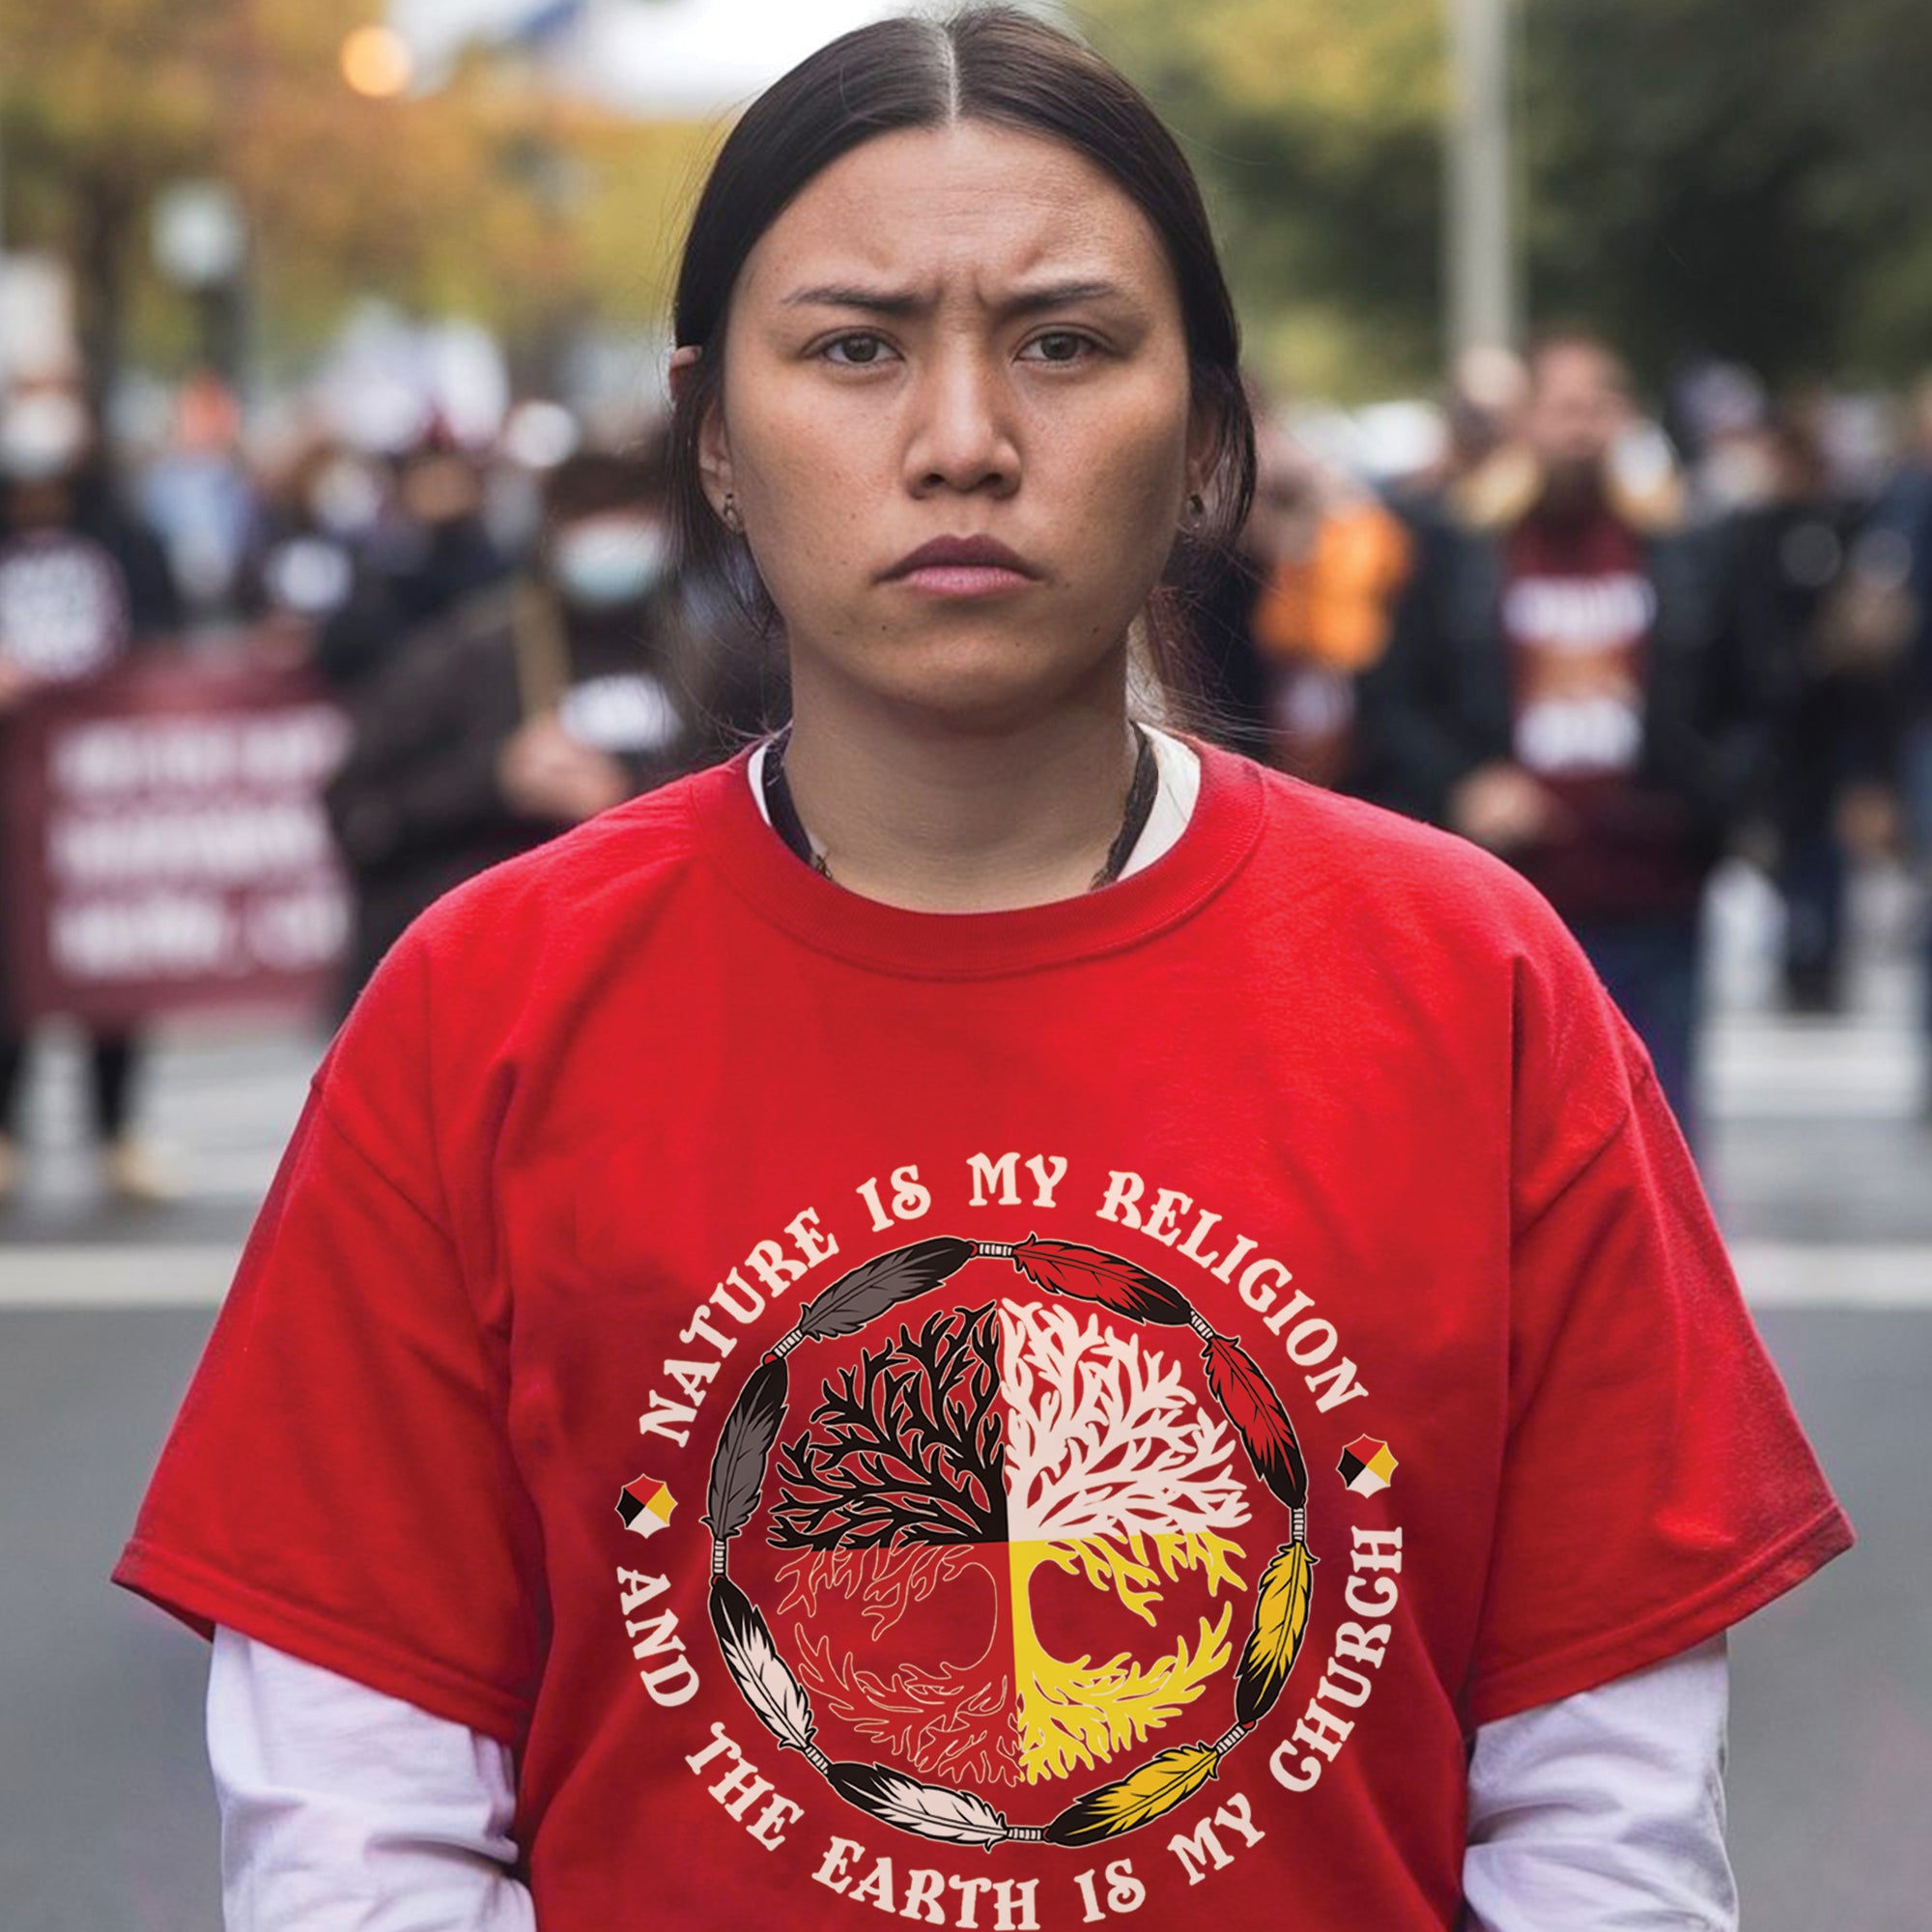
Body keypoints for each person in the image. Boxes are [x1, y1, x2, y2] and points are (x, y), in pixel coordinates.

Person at [115, 13, 1850, 1930]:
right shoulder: (483, 1008)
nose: (961, 440)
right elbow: (362, 1831)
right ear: (710, 430)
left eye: (1066, 343)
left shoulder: (1475, 983)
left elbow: (1603, 1821)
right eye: (853, 349)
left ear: (1206, 431)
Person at [1359, 333, 1768, 1149]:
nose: (1579, 427)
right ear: (1525, 422)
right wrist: (1464, 784)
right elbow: (1392, 700)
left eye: (1597, 406)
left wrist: (1705, 800)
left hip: (1656, 892)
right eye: (1560, 407)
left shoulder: (1687, 550)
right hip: (1512, 900)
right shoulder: (1460, 550)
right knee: (1515, 1142)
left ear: (1624, 419)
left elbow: (1755, 697)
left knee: (1660, 1134)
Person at [320, 435, 759, 1006]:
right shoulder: (465, 655)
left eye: (627, 512)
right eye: (589, 514)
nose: (610, 533)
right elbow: (361, 813)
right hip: (503, 978)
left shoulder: (722, 652)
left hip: (679, 968)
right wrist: (495, 780)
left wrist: (629, 796)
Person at [0, 381, 182, 1203]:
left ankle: (118, 1130)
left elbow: (166, 640)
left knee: (112, 958)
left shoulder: (128, 537)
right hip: (13, 787)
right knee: (13, 951)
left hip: (104, 789)